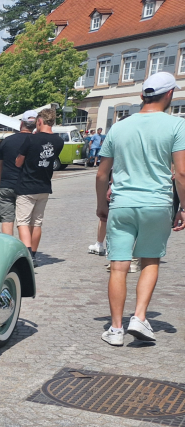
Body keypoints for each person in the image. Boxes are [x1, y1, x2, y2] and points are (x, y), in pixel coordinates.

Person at [97, 72, 185, 346]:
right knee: (150, 261)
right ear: (169, 94)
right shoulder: (177, 125)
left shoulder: (119, 127)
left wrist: (101, 205)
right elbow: (181, 173)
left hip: (122, 203)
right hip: (157, 204)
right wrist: (182, 207)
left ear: (141, 96)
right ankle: (139, 317)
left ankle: (115, 329)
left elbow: (102, 174)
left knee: (118, 266)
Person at [14, 107, 64, 266]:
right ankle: (34, 255)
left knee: (23, 221)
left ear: (40, 121)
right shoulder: (59, 141)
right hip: (44, 186)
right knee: (37, 222)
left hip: (27, 185)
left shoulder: (31, 139)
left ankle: (28, 255)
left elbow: (18, 162)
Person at [0, 111, 36, 236]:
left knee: (6, 219)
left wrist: (1, 181)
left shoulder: (7, 141)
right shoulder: (35, 141)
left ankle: (8, 245)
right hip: (26, 186)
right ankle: (27, 246)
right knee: (25, 221)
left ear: (21, 124)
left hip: (7, 184)